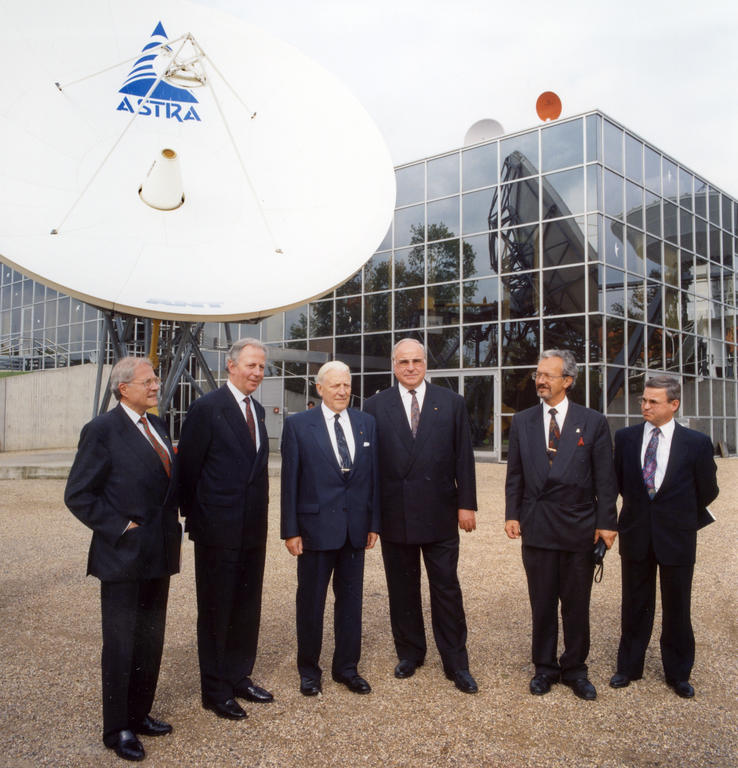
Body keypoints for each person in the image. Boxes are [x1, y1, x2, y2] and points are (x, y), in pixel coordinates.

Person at [65, 356, 181, 762]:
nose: (155, 386)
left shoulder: (158, 426)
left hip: (159, 554)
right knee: (120, 645)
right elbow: (78, 494)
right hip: (123, 556)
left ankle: (140, 714)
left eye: (155, 380)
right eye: (148, 381)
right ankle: (117, 729)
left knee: (150, 640)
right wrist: (119, 526)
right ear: (123, 389)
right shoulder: (101, 430)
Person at [363, 338, 479, 694]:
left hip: (441, 512)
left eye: (416, 361)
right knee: (402, 589)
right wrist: (372, 520)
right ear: (393, 365)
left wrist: (467, 504)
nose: (410, 368)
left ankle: (456, 662)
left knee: (446, 588)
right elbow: (370, 468)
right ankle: (410, 653)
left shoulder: (451, 402)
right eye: (403, 362)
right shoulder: (374, 405)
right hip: (395, 513)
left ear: (426, 363)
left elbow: (464, 457)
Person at [505, 349, 618, 700]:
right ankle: (544, 667)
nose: (540, 380)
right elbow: (515, 475)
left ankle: (574, 669)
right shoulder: (522, 421)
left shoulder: (593, 421)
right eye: (538, 374)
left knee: (575, 602)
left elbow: (605, 479)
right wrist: (511, 513)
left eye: (548, 375)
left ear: (567, 381)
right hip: (537, 525)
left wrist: (606, 524)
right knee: (541, 601)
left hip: (578, 527)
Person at [177, 338, 272, 721]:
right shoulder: (207, 408)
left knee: (247, 608)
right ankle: (215, 690)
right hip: (218, 532)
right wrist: (199, 522)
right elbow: (188, 472)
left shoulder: (259, 410)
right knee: (217, 611)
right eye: (250, 365)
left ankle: (238, 676)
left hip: (252, 530)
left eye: (262, 367)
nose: (257, 373)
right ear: (230, 366)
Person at [610, 375, 718, 699]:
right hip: (636, 534)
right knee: (634, 605)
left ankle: (678, 673)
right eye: (643, 400)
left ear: (674, 404)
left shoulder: (697, 444)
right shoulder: (626, 438)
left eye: (652, 402)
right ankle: (628, 667)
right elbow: (617, 483)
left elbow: (708, 490)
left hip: (677, 538)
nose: (644, 406)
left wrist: (677, 515)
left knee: (677, 607)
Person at [280, 360, 380, 696]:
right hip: (314, 531)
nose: (343, 391)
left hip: (355, 530)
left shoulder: (366, 423)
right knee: (311, 603)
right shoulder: (298, 426)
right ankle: (309, 671)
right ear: (319, 388)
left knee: (350, 603)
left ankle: (347, 669)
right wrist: (290, 530)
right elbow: (289, 483)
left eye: (347, 385)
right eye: (335, 385)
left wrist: (373, 523)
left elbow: (373, 480)